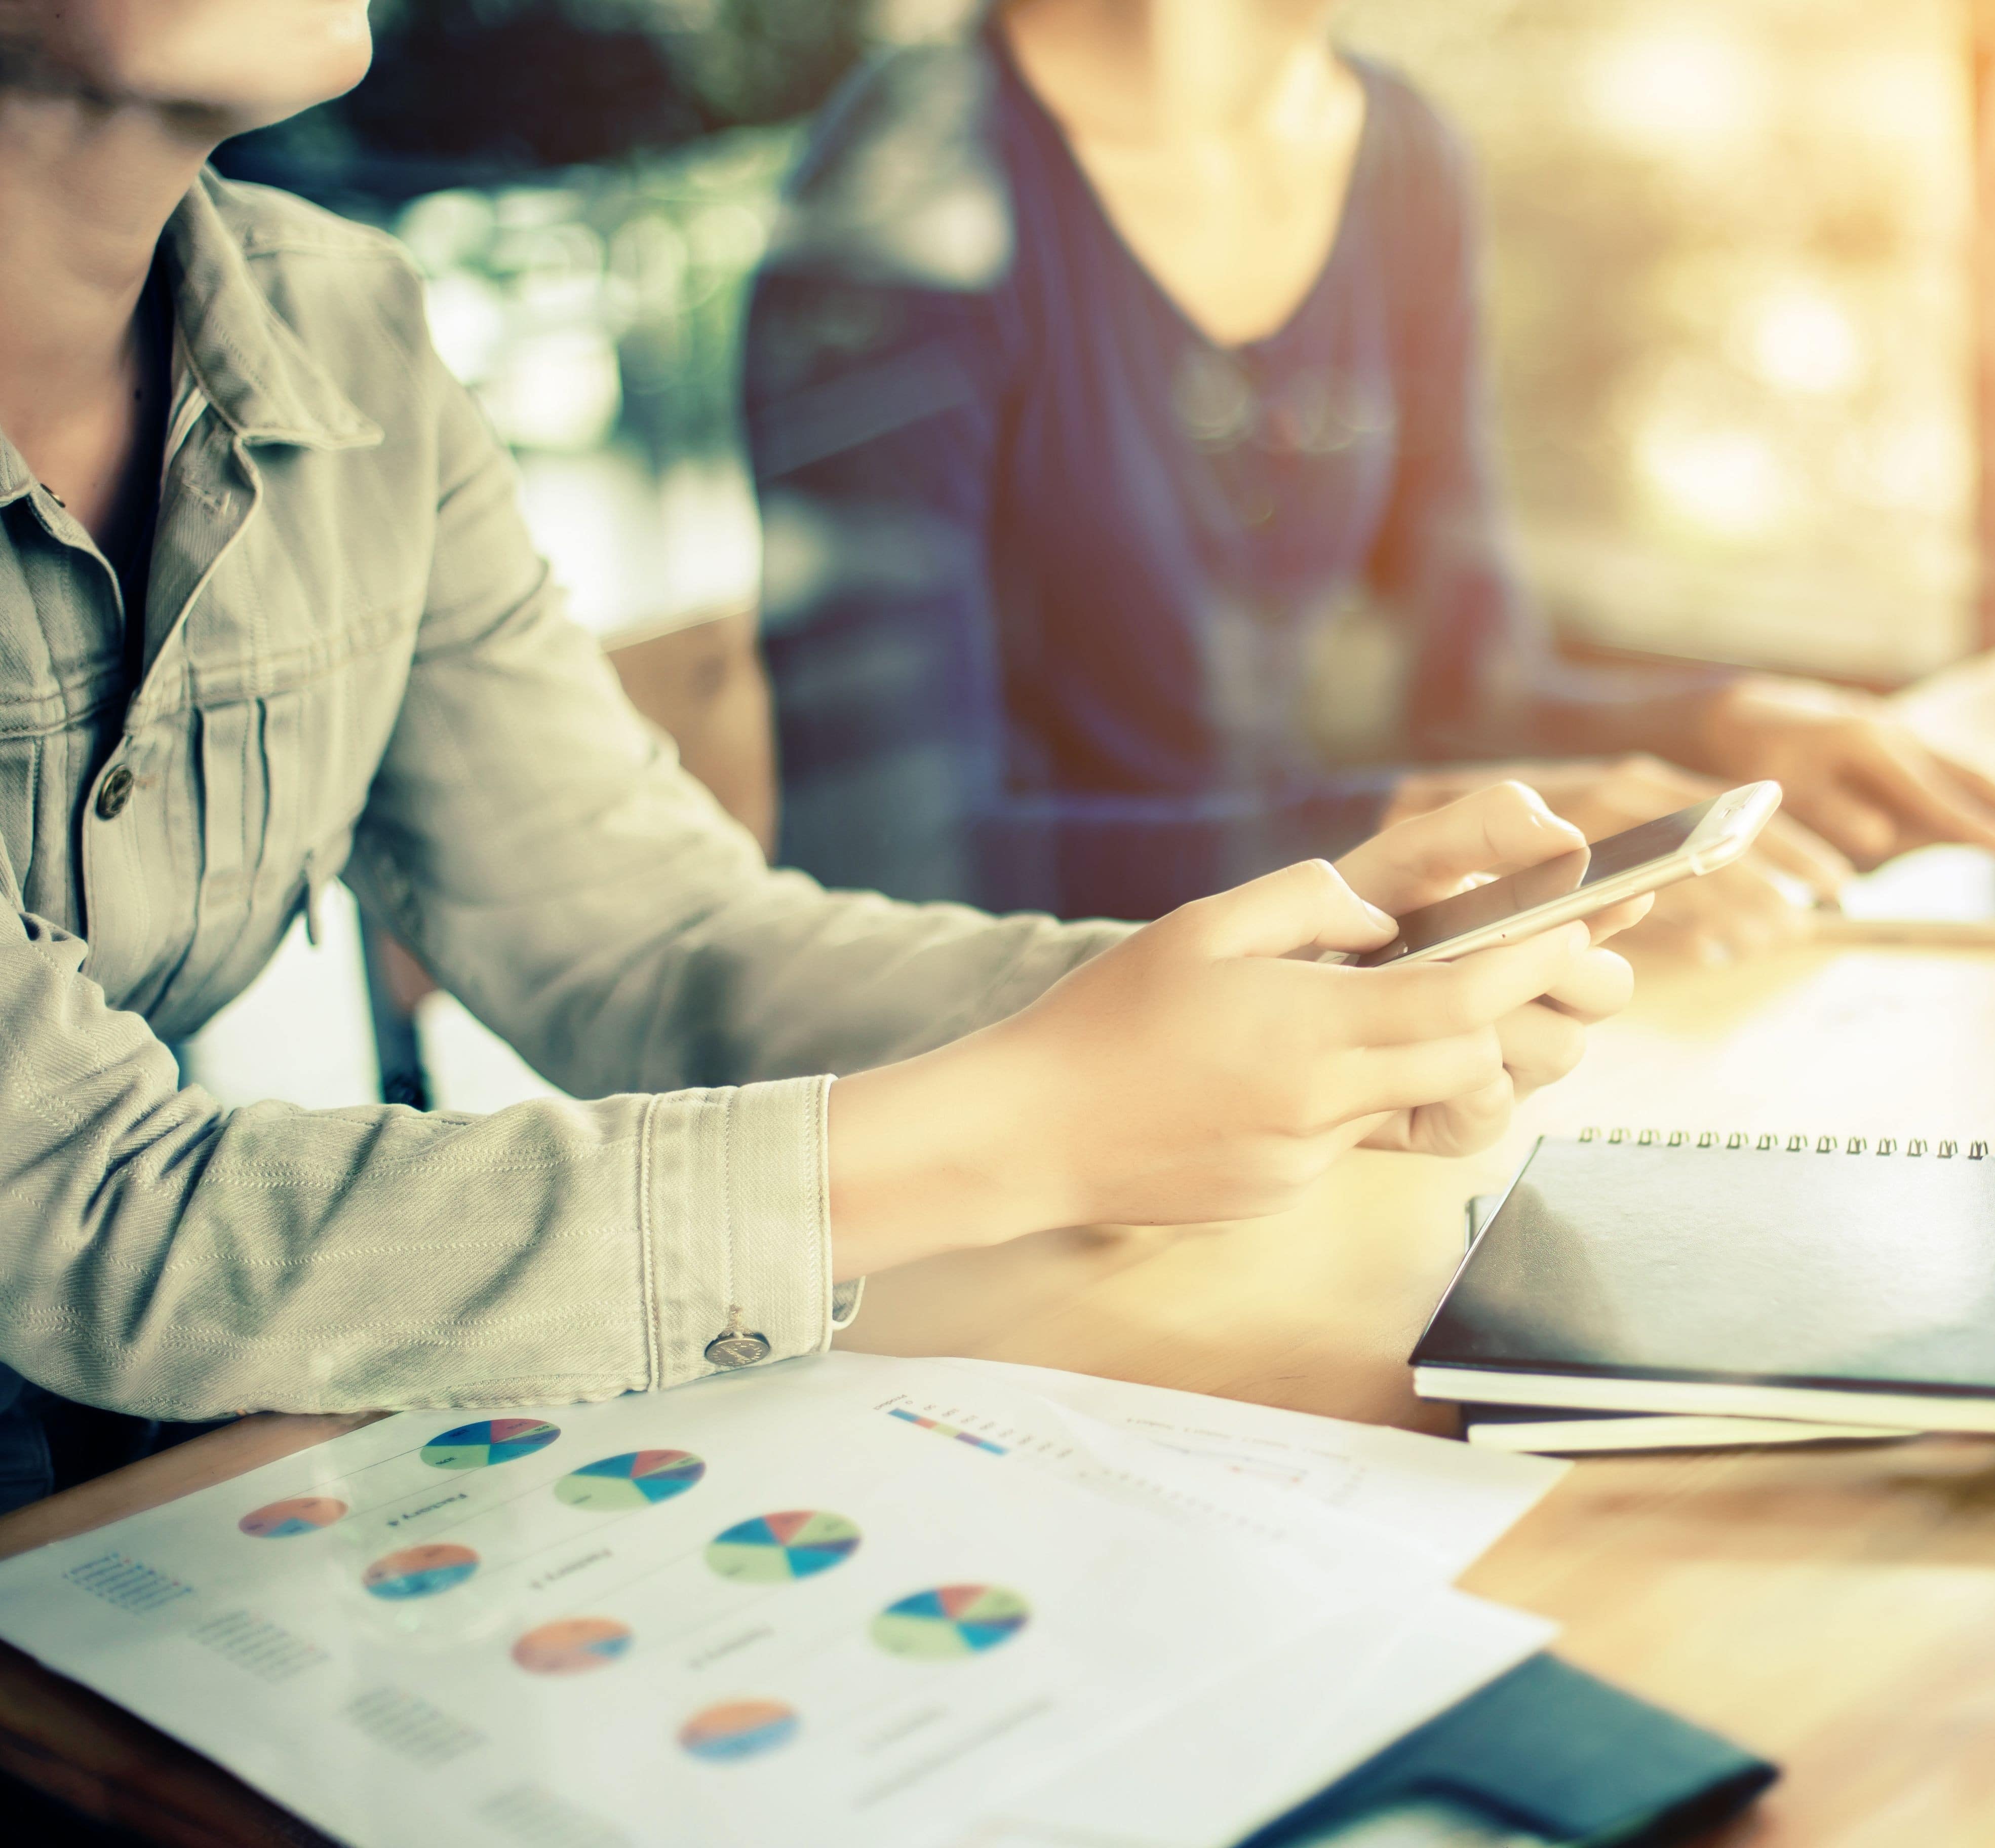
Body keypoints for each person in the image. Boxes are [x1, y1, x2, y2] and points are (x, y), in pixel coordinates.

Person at [0, 0, 1644, 1515]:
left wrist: (1286, 1032)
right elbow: (94, 1219)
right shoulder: (927, 179)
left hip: (150, 1523)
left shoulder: (346, 335)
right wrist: (1040, 1125)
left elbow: (657, 946)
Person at [744, 0, 1995, 960]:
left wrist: (1722, 729)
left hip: (1338, 1013)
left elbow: (1458, 684)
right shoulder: (907, 192)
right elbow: (888, 862)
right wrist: (1409, 837)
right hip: (1044, 1076)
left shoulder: (1403, 157)